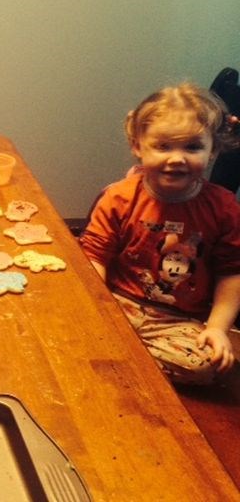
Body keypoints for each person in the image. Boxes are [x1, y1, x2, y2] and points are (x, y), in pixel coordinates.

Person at [80, 82, 240, 385]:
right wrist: (96, 313)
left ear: (213, 150)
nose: (177, 158)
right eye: (163, 146)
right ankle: (127, 357)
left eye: (192, 147)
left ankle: (122, 358)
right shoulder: (118, 197)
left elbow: (232, 273)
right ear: (138, 146)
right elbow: (94, 258)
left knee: (208, 365)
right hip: (118, 303)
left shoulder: (224, 208)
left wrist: (217, 328)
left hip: (177, 322)